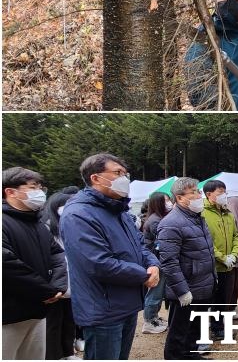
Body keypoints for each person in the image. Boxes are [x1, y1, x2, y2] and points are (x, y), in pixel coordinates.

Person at [60, 154, 160, 360]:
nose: (124, 178)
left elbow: (140, 245)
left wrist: (153, 264)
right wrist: (143, 275)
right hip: (102, 308)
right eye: (117, 173)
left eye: (125, 173)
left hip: (126, 303)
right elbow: (98, 263)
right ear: (95, 178)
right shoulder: (79, 214)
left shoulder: (119, 209)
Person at [3, 167, 68, 360]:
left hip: (39, 310)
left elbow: (57, 255)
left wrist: (57, 286)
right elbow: (7, 265)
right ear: (10, 191)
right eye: (33, 187)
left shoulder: (37, 224)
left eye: (41, 187)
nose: (39, 192)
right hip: (8, 315)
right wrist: (46, 290)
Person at [157, 177, 216, 360]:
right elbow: (169, 262)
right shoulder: (171, 223)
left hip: (202, 284)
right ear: (180, 198)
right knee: (179, 332)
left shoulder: (197, 218)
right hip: (186, 289)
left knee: (195, 328)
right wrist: (182, 291)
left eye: (198, 191)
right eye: (194, 192)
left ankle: (191, 355)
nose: (199, 195)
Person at [41, 190, 80, 360]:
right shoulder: (46, 227)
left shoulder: (71, 225)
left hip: (72, 281)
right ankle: (54, 355)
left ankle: (68, 352)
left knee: (69, 320)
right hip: (55, 283)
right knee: (53, 323)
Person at [202, 180, 238, 340]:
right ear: (208, 194)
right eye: (220, 193)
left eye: (225, 192)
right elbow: (205, 241)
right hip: (212, 266)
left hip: (229, 265)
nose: (223, 196)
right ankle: (202, 331)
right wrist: (221, 257)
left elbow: (236, 236)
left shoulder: (228, 213)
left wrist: (233, 254)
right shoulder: (202, 213)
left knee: (224, 298)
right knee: (208, 300)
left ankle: (218, 327)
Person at [141, 192, 172, 334]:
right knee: (155, 292)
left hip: (159, 259)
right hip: (156, 260)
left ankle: (154, 317)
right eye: (165, 201)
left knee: (159, 292)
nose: (168, 203)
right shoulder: (155, 220)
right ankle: (148, 322)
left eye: (168, 200)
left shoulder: (160, 218)